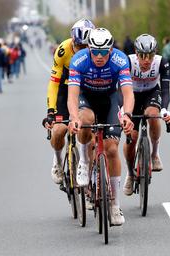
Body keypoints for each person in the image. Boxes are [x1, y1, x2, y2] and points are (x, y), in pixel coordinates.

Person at [67, 28, 134, 225]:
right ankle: (85, 162)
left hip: (109, 99)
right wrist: (73, 117)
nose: (98, 56)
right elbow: (72, 95)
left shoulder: (120, 60)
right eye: (94, 51)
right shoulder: (79, 60)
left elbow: (128, 93)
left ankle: (114, 205)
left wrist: (128, 115)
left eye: (104, 52)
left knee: (112, 148)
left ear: (111, 50)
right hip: (86, 98)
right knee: (85, 120)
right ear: (88, 48)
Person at [42, 19, 95, 184]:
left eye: (85, 47)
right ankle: (58, 161)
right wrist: (51, 111)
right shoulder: (62, 50)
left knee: (90, 134)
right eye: (78, 46)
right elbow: (54, 83)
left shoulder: (98, 51)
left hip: (85, 90)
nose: (81, 51)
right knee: (58, 131)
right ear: (73, 41)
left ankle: (91, 183)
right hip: (65, 90)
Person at [122, 34, 170, 196]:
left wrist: (164, 109)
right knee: (132, 139)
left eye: (149, 55)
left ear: (154, 53)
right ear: (136, 54)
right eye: (142, 56)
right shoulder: (127, 62)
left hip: (151, 93)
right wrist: (122, 110)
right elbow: (118, 90)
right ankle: (130, 173)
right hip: (132, 97)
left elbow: (165, 89)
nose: (146, 60)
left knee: (153, 114)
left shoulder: (161, 62)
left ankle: (154, 153)